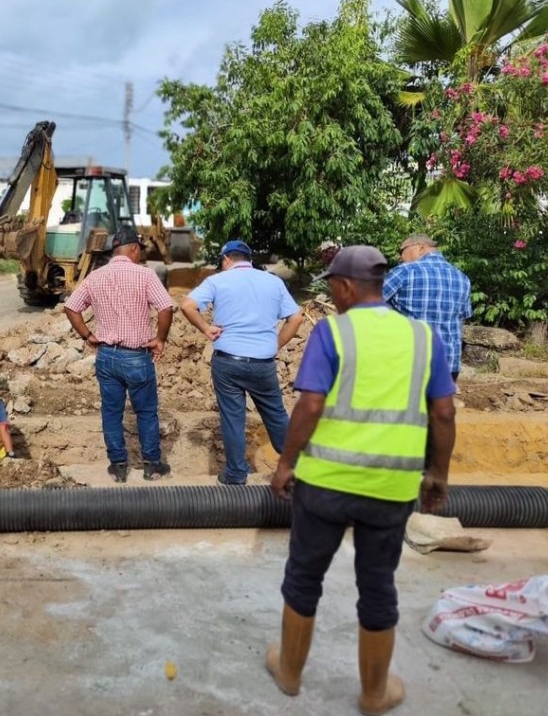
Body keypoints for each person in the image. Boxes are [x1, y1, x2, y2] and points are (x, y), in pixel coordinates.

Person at [267, 246, 456, 716]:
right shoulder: (423, 337)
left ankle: (289, 674)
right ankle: (374, 695)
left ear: (348, 286)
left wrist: (286, 462)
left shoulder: (333, 332)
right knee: (377, 586)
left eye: (332, 286)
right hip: (390, 491)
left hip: (325, 485)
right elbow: (444, 411)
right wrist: (438, 474)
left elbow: (310, 405)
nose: (330, 295)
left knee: (304, 576)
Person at [180, 240, 303, 485]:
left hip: (228, 362)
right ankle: (297, 467)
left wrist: (206, 328)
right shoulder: (273, 281)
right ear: (249, 259)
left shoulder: (218, 281)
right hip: (263, 363)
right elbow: (296, 317)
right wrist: (275, 345)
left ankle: (236, 473)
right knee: (276, 414)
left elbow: (187, 305)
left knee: (233, 417)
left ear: (226, 260)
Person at [63, 226, 175, 482]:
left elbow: (71, 307)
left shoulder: (95, 277)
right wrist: (159, 340)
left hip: (106, 356)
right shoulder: (145, 275)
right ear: (134, 249)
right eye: (140, 251)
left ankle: (119, 467)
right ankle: (152, 466)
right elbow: (166, 307)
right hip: (136, 356)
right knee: (146, 412)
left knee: (111, 412)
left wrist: (88, 336)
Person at [383, 234, 472, 382]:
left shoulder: (404, 272)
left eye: (401, 251)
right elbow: (463, 318)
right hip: (449, 367)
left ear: (421, 248)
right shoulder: (462, 277)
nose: (399, 257)